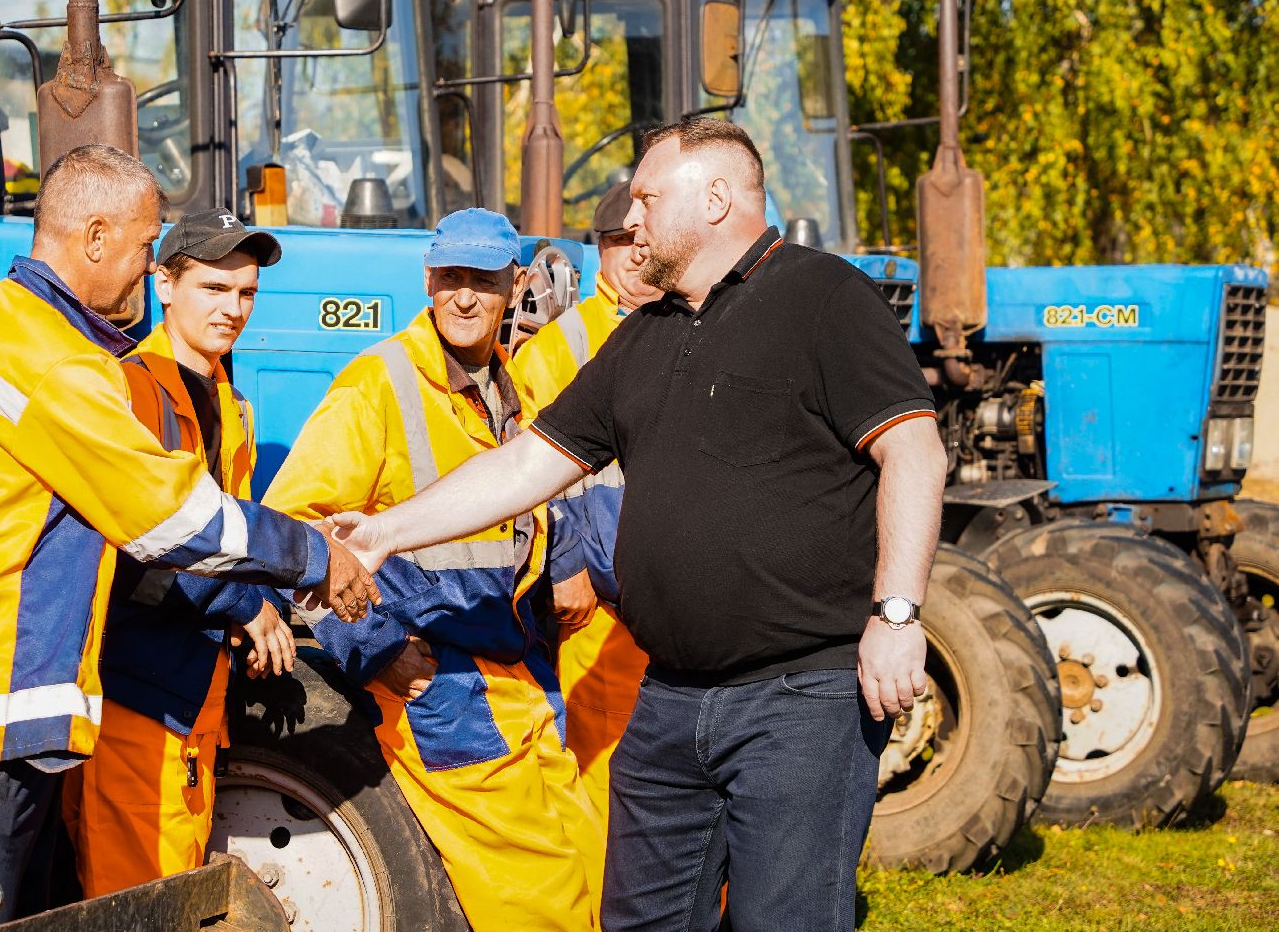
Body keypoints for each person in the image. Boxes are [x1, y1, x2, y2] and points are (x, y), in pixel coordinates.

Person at [329, 118, 947, 932]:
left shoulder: (823, 296)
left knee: (781, 919)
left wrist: (896, 616)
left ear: (718, 198)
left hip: (801, 694)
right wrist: (383, 533)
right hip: (669, 700)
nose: (633, 220)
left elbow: (915, 451)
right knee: (640, 920)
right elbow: (528, 465)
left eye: (650, 199)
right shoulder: (645, 336)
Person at [0, 145, 376, 917]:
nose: (143, 268)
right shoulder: (57, 363)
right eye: (142, 247)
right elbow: (173, 518)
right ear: (94, 238)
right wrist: (311, 555)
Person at [262, 208, 606, 931]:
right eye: (450, 278)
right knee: (536, 897)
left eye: (482, 281)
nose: (464, 297)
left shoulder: (512, 387)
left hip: (520, 676)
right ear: (427, 279)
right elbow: (297, 528)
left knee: (584, 859)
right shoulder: (381, 383)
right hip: (443, 681)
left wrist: (567, 563)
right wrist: (381, 652)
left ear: (513, 287)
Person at [65, 207, 293, 897]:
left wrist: (265, 606)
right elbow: (133, 554)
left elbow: (239, 534)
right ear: (164, 284)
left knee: (174, 889)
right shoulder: (131, 391)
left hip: (191, 694)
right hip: (135, 693)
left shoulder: (230, 401)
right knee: (133, 897)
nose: (234, 309)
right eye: (214, 289)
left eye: (246, 293)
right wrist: (245, 606)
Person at [507, 181, 659, 827]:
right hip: (600, 606)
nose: (633, 254)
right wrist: (565, 563)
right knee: (609, 776)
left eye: (642, 240)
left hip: (669, 597)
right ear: (600, 250)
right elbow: (525, 467)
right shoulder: (561, 348)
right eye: (619, 241)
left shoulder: (679, 328)